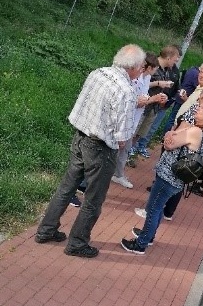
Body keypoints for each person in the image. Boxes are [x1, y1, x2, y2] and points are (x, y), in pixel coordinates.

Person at [35, 44, 145, 258]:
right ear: (132, 67)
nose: (141, 70)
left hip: (80, 136)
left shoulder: (98, 73)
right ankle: (77, 242)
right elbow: (123, 136)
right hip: (101, 148)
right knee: (94, 199)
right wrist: (121, 143)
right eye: (141, 66)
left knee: (67, 187)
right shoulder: (126, 90)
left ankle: (46, 230)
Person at [121, 100, 203, 254]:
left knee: (153, 209)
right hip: (176, 179)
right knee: (158, 207)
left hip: (169, 176)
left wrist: (170, 134)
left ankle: (141, 244)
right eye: (200, 106)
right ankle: (149, 235)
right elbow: (173, 137)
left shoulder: (195, 131)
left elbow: (169, 143)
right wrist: (173, 135)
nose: (198, 109)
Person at [112, 53, 167, 188]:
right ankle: (113, 173)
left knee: (125, 148)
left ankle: (117, 173)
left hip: (134, 119)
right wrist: (151, 100)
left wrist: (152, 98)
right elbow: (133, 101)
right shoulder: (134, 79)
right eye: (154, 69)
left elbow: (143, 95)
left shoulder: (146, 78)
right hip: (126, 119)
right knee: (119, 148)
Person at [133, 45, 181, 158]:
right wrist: (159, 83)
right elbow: (141, 83)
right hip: (143, 105)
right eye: (175, 60)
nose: (175, 63)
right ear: (168, 58)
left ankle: (132, 149)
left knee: (141, 132)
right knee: (134, 130)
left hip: (154, 107)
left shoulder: (168, 70)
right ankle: (128, 151)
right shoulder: (152, 66)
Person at [161, 61, 203, 135]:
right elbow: (192, 105)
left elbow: (195, 114)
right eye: (201, 72)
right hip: (178, 125)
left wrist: (178, 128)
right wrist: (186, 98)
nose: (201, 75)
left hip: (182, 129)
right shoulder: (199, 87)